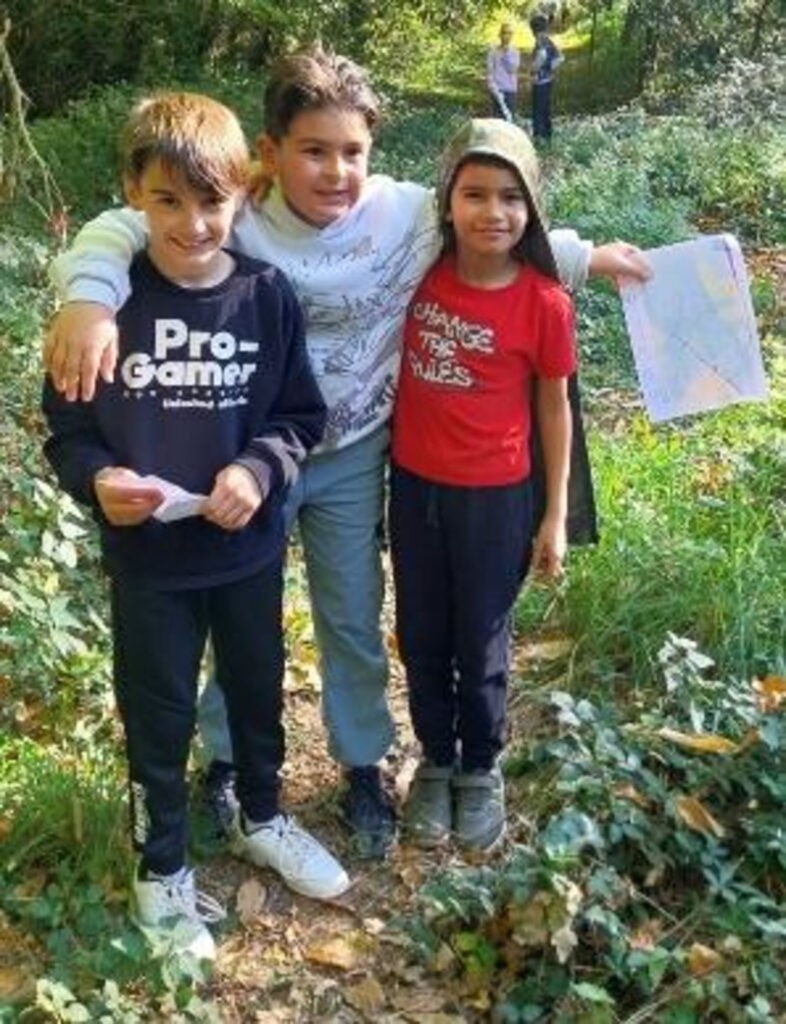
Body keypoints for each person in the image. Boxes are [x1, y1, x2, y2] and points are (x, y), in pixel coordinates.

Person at [42, 47, 651, 861]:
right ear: (268, 154)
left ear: (373, 151)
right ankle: (225, 760)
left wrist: (588, 257)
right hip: (244, 457)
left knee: (353, 614)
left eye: (353, 151)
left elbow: (491, 216)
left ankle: (363, 764)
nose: (336, 171)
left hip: (352, 454)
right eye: (313, 151)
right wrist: (88, 297)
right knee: (234, 614)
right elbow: (127, 223)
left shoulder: (403, 214)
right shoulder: (236, 211)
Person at [41, 92, 350, 961]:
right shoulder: (105, 309)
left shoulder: (265, 295)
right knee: (160, 715)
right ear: (130, 194)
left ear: (243, 192)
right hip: (150, 566)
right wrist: (98, 480)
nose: (193, 223)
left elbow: (298, 416)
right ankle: (162, 866)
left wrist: (256, 471)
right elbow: (67, 432)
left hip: (247, 551)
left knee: (256, 692)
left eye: (212, 201)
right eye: (167, 201)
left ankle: (262, 815)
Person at [391, 118, 575, 851]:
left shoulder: (544, 302)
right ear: (447, 200)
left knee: (483, 636)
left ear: (531, 208)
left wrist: (553, 515)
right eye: (474, 194)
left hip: (496, 499)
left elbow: (555, 407)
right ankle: (436, 759)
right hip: (414, 489)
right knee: (423, 631)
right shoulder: (418, 278)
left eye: (510, 197)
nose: (492, 212)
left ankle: (480, 766)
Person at [530, 13, 563, 141]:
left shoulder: (540, 42)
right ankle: (548, 136)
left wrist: (534, 69)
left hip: (539, 82)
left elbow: (542, 56)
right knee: (546, 109)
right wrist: (550, 67)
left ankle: (539, 138)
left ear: (534, 30)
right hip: (548, 80)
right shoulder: (549, 41)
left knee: (538, 111)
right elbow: (560, 58)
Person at [487, 22, 520, 122]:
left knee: (509, 120)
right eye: (505, 33)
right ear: (500, 35)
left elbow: (512, 69)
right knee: (497, 121)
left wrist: (506, 54)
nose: (507, 36)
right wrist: (493, 88)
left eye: (510, 33)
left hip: (510, 90)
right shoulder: (492, 52)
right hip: (497, 90)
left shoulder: (515, 52)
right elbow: (490, 72)